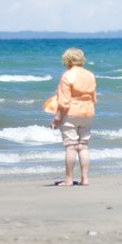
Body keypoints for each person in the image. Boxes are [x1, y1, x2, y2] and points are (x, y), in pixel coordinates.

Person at [50, 47, 97, 186]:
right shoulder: (90, 75)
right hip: (88, 111)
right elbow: (94, 97)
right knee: (83, 146)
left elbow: (64, 102)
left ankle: (69, 179)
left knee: (71, 147)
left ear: (68, 60)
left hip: (71, 112)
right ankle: (85, 179)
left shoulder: (67, 75)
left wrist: (57, 119)